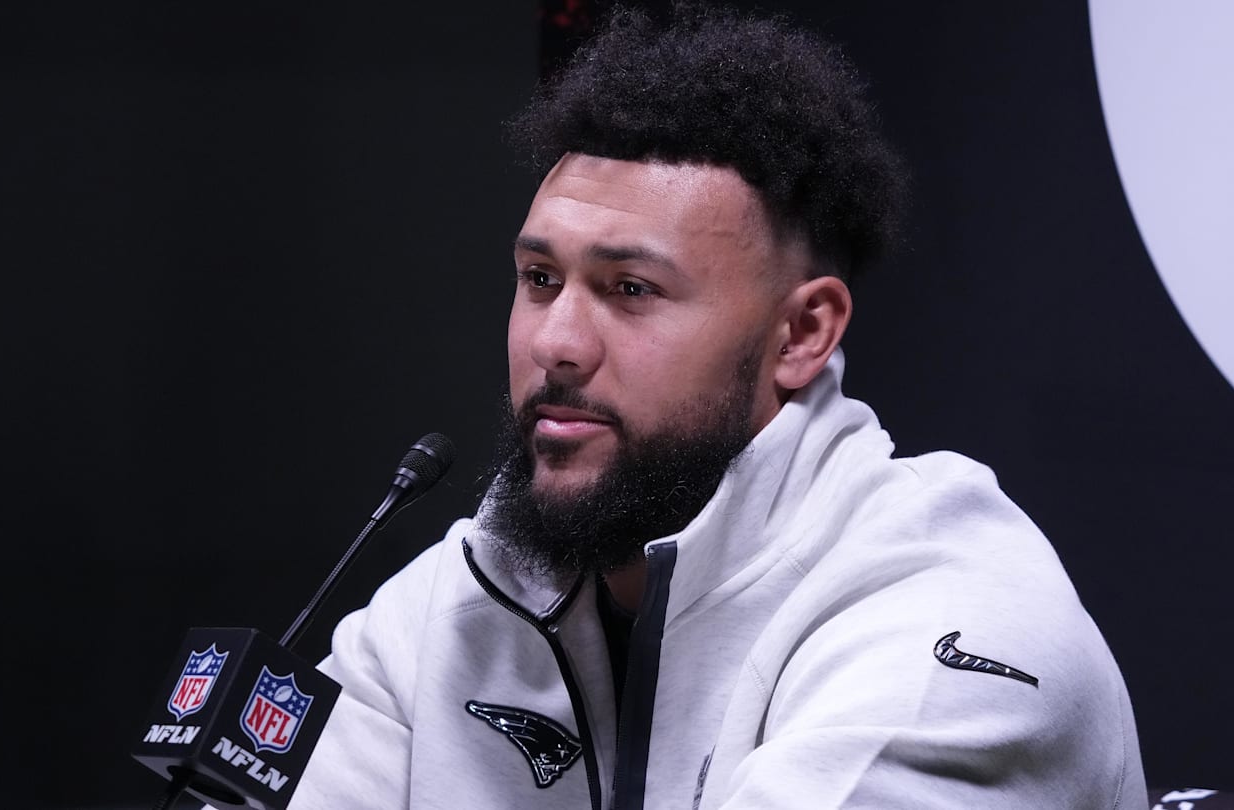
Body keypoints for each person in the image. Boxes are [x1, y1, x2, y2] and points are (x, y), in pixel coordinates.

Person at [294, 6, 1145, 808]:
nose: (557, 342)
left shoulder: (952, 625)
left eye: (631, 288)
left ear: (801, 334)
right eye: (541, 279)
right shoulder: (441, 612)